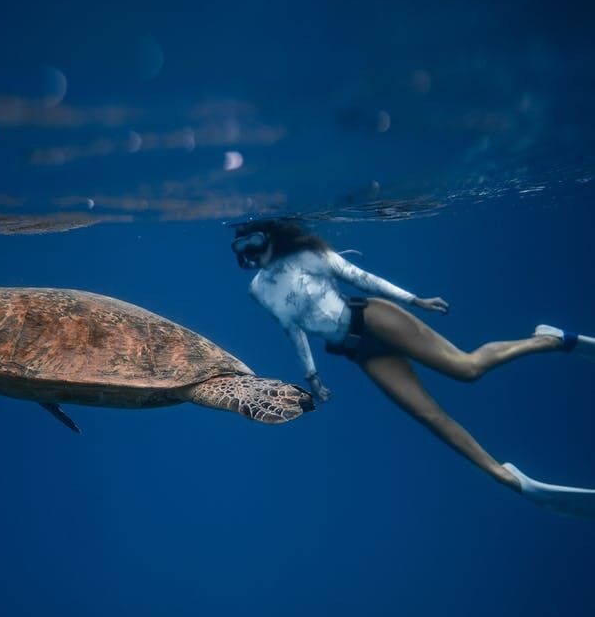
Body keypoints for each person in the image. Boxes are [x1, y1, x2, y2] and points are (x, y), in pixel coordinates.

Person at [231, 217, 595, 517]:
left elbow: (361, 277)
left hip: (372, 318)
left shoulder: (307, 254)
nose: (250, 252)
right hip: (356, 350)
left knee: (466, 369)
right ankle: (505, 477)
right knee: (429, 416)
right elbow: (291, 329)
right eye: (242, 246)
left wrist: (415, 300)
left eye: (255, 241)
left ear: (271, 236)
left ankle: (548, 339)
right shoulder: (258, 291)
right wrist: (313, 377)